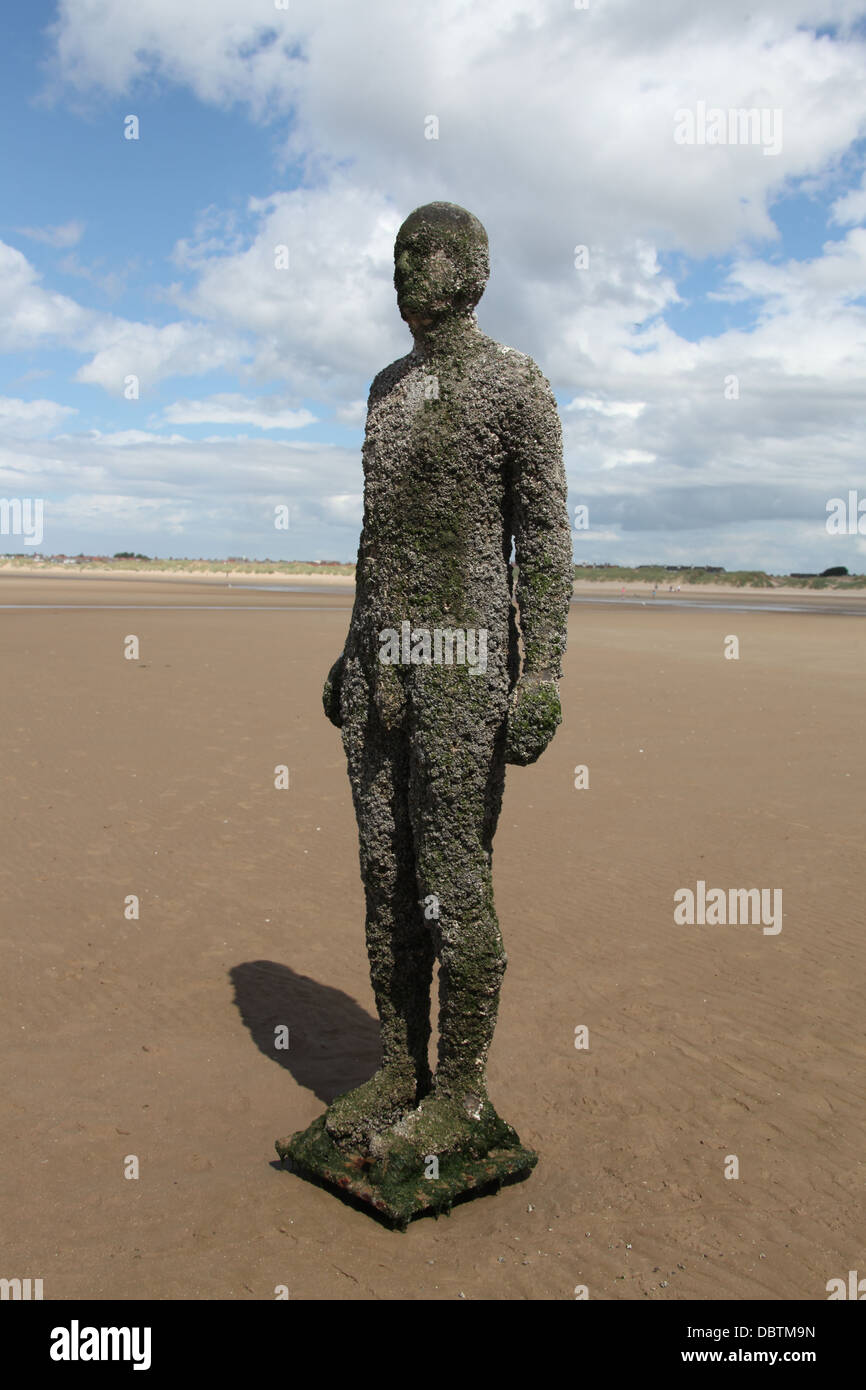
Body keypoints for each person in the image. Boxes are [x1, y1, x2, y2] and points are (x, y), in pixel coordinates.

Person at [320, 202, 572, 1159]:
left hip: (465, 669)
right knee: (385, 874)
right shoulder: (385, 388)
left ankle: (461, 1092)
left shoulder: (514, 385)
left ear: (472, 270)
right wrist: (353, 650)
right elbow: (374, 536)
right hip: (381, 663)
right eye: (394, 257)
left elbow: (543, 534)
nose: (401, 274)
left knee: (453, 880)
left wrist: (541, 670)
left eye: (420, 255)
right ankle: (399, 1065)